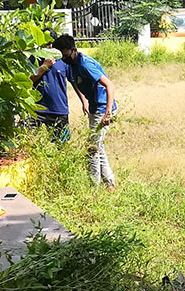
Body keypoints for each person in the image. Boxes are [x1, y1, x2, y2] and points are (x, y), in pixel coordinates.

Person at [52, 34, 119, 189]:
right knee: (97, 146)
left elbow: (110, 86)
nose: (62, 57)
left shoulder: (85, 64)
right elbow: (75, 83)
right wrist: (84, 101)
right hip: (95, 108)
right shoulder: (73, 64)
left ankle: (93, 187)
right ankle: (109, 183)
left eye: (64, 53)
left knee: (92, 148)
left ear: (73, 50)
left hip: (102, 109)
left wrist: (108, 113)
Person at [30, 51, 78, 140]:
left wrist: (84, 101)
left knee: (62, 144)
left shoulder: (64, 60)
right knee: (26, 138)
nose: (49, 47)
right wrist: (44, 66)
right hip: (36, 108)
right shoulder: (34, 58)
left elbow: (73, 81)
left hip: (58, 108)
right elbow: (29, 79)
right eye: (47, 44)